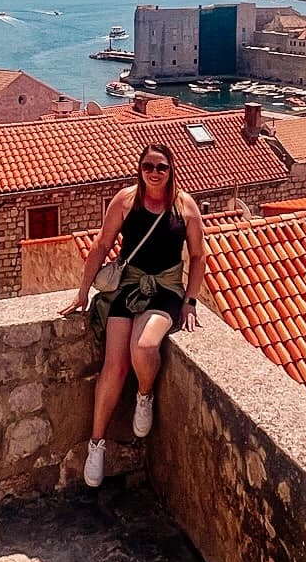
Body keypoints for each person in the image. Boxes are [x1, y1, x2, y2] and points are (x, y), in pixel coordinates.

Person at [62, 141, 206, 488]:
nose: (154, 173)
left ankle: (144, 395)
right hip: (128, 288)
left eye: (161, 167)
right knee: (114, 365)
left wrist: (190, 301)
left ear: (172, 171)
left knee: (142, 348)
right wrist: (83, 292)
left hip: (166, 291)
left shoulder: (185, 207)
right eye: (148, 167)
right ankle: (97, 444)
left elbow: (199, 257)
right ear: (139, 170)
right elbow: (101, 245)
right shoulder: (125, 201)